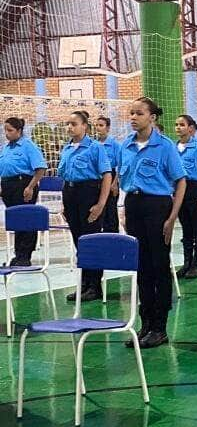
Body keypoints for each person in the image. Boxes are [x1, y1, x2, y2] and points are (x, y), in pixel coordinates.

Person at [119, 97, 186, 349]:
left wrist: (171, 218)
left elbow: (180, 181)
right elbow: (124, 180)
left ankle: (160, 327)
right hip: (134, 206)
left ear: (152, 118)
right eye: (131, 113)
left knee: (159, 266)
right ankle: (145, 323)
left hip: (157, 207)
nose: (133, 117)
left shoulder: (165, 146)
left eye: (139, 113)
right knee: (142, 267)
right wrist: (124, 211)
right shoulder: (126, 145)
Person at [58, 110, 112, 302]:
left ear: (85, 127)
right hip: (71, 195)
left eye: (74, 124)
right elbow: (64, 177)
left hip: (89, 193)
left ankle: (95, 286)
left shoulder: (95, 148)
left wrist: (100, 204)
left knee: (91, 241)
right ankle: (84, 284)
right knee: (78, 241)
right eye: (68, 124)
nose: (70, 127)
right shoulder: (67, 148)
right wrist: (65, 204)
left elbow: (107, 175)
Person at [0, 117, 47, 267]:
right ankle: (18, 254)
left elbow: (40, 168)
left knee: (26, 220)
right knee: (16, 221)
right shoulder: (7, 148)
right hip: (8, 186)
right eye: (5, 130)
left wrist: (30, 187)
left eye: (10, 130)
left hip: (23, 184)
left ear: (19, 131)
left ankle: (25, 255)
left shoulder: (28, 146)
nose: (6, 133)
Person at [175, 115, 197, 279]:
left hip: (194, 188)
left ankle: (196, 264)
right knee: (185, 229)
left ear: (190, 128)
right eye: (176, 125)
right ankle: (186, 262)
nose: (178, 128)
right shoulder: (174, 147)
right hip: (178, 190)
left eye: (182, 124)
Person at [94, 116, 122, 233]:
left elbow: (121, 165)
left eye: (101, 125)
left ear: (108, 128)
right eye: (97, 125)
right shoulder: (93, 144)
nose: (98, 128)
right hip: (96, 178)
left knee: (110, 211)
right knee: (99, 210)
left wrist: (115, 183)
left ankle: (113, 238)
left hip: (111, 177)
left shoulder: (115, 145)